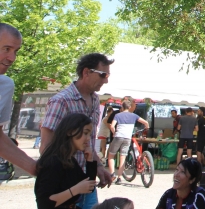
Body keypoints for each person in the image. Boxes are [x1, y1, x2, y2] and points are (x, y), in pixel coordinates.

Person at [41, 53, 115, 208]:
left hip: (87, 180)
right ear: (86, 72)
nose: (106, 80)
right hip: (65, 184)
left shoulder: (95, 100)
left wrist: (99, 167)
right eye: (103, 75)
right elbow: (46, 148)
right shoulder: (61, 101)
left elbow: (89, 142)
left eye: (107, 75)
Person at [34, 113, 97, 209]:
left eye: (89, 134)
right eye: (85, 133)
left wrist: (90, 161)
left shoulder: (69, 160)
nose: (88, 138)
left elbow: (89, 187)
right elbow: (44, 203)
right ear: (70, 132)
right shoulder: (54, 162)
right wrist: (75, 190)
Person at [0, 23, 37, 176]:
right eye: (6, 49)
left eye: (16, 51)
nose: (12, 58)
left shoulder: (5, 86)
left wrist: (38, 170)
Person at [107, 100, 148, 183]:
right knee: (123, 157)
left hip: (118, 137)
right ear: (129, 107)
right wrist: (146, 129)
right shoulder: (134, 116)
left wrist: (114, 133)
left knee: (111, 156)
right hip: (127, 138)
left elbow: (112, 126)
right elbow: (145, 122)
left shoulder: (118, 115)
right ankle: (119, 178)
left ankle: (112, 174)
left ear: (122, 107)